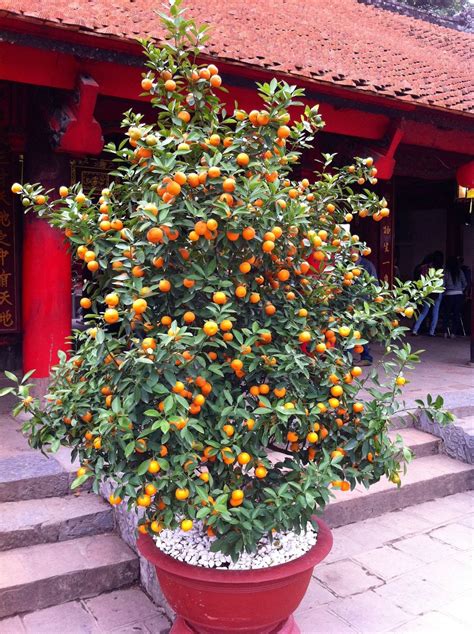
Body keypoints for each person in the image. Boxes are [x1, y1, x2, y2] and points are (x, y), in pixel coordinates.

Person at [412, 251, 444, 337]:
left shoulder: (425, 267)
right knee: (435, 313)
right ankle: (432, 331)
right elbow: (442, 282)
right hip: (437, 291)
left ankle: (415, 330)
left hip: (427, 291)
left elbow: (421, 279)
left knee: (424, 312)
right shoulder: (440, 268)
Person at [358, 255, 377, 366]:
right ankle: (365, 357)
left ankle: (366, 357)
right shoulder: (346, 264)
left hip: (363, 304)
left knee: (359, 331)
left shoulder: (367, 265)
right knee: (352, 332)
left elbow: (374, 284)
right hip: (348, 303)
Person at [443, 256, 467, 337]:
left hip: (448, 295)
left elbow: (443, 285)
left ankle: (445, 332)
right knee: (456, 314)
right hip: (459, 295)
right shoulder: (460, 271)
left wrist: (445, 291)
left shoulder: (445, 272)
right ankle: (453, 333)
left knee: (447, 314)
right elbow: (465, 283)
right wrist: (461, 290)